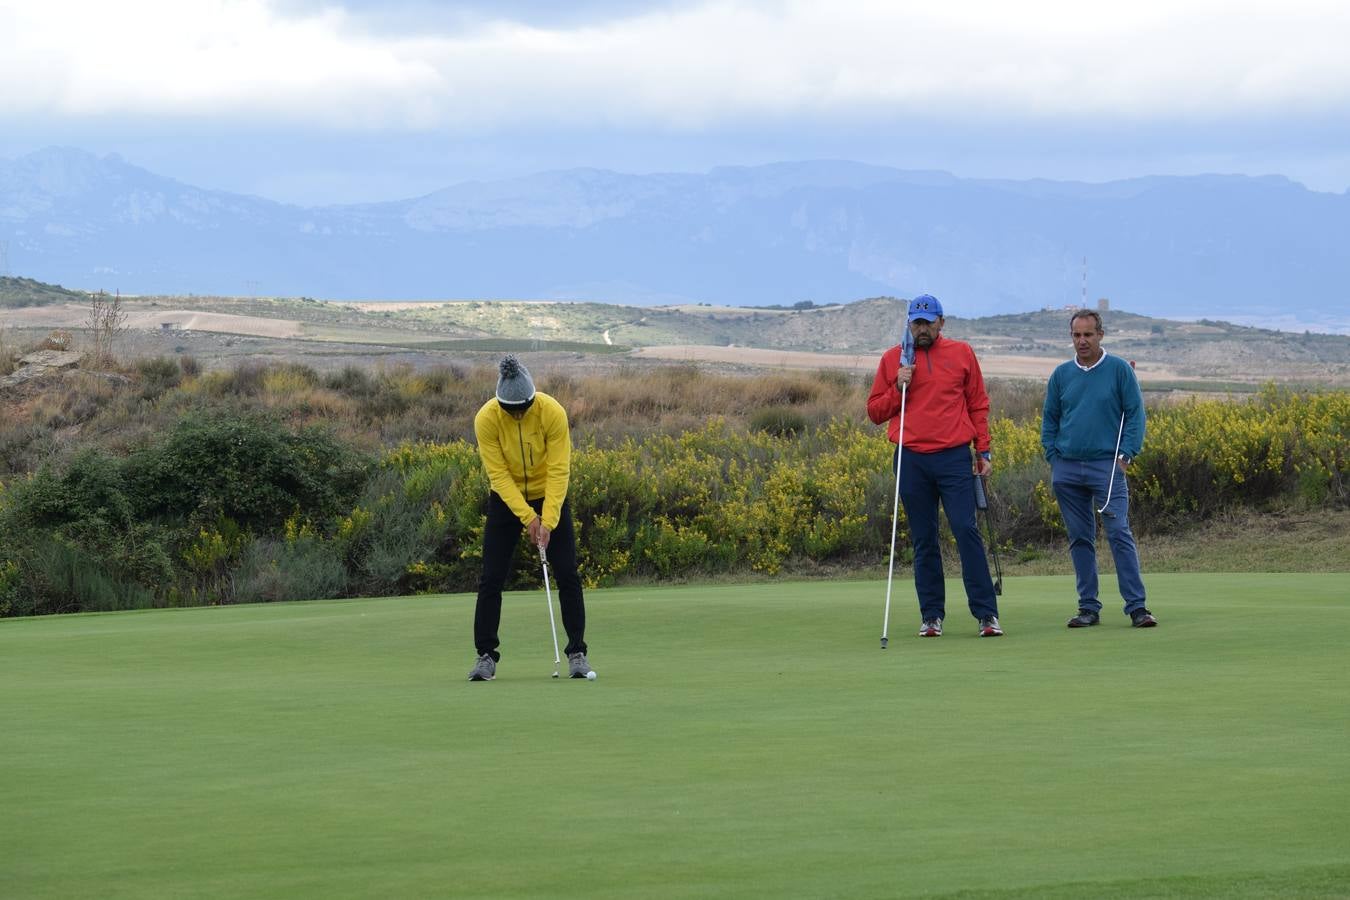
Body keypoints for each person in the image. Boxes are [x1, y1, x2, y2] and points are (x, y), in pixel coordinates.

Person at [867, 294, 1002, 638]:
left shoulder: (961, 353)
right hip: (911, 457)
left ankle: (986, 613)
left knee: (965, 530)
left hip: (954, 456)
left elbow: (978, 403)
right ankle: (931, 616)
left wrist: (982, 451)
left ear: (942, 322)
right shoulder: (893, 360)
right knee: (924, 538)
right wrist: (898, 385)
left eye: (928, 322)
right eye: (917, 322)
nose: (922, 329)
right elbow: (875, 412)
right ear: (909, 323)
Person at [468, 355, 592, 680]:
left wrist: (548, 520)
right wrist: (527, 518)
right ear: (501, 404)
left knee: (567, 573)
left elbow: (559, 469)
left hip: (549, 495)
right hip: (507, 501)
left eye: (523, 407)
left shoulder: (552, 412)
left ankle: (577, 652)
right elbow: (498, 476)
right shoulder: (486, 419)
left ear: (533, 398)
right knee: (491, 578)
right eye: (512, 410)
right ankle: (485, 656)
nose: (518, 414)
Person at [1041, 309, 1157, 628]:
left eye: (1088, 334)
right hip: (1067, 468)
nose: (1082, 341)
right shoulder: (1062, 375)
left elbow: (1135, 415)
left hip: (1107, 467)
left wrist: (1126, 455)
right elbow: (1050, 419)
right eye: (1076, 335)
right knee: (1080, 537)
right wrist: (1053, 456)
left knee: (1119, 533)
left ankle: (1137, 607)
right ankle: (1088, 607)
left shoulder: (1119, 370)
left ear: (1100, 335)